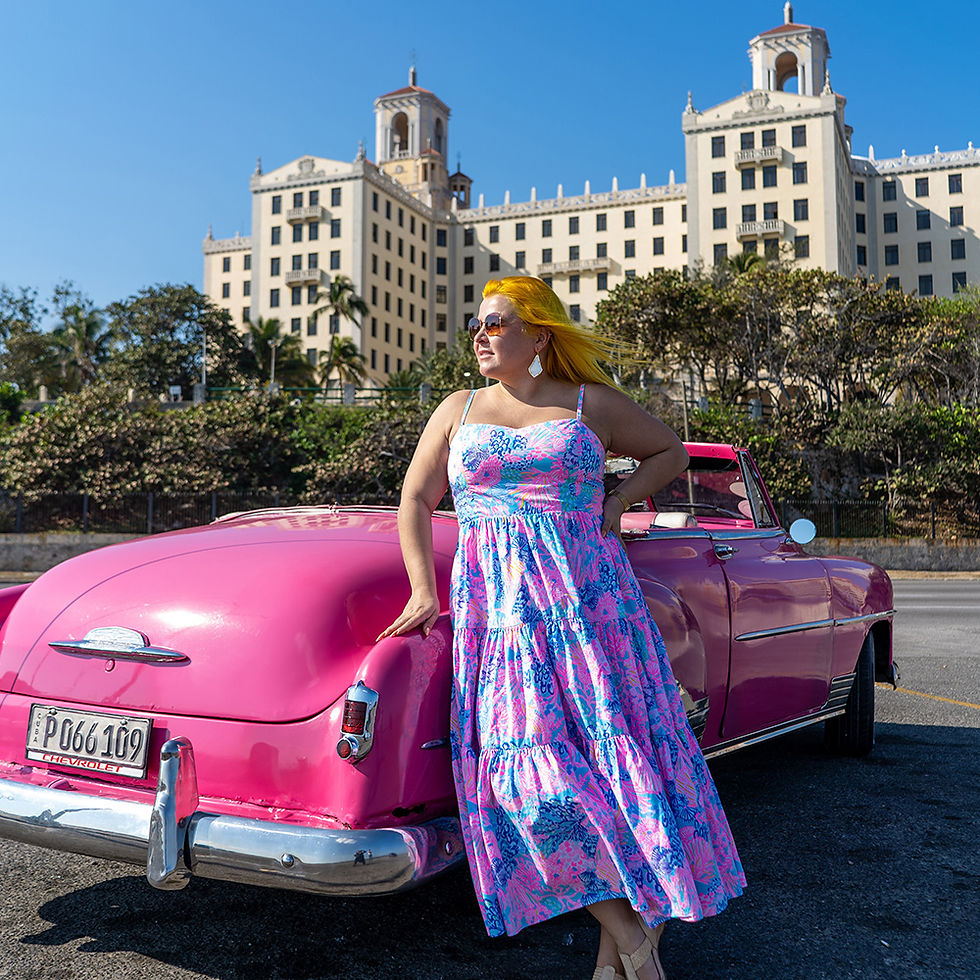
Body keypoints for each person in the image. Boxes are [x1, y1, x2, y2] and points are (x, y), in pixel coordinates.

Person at [379, 276, 744, 980]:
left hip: (593, 609)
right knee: (530, 782)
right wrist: (425, 589)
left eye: (496, 324)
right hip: (504, 613)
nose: (480, 336)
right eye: (476, 326)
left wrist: (617, 502)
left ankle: (617, 965)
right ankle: (633, 935)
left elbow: (669, 452)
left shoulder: (590, 404)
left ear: (539, 334)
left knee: (626, 770)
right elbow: (415, 501)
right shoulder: (457, 409)